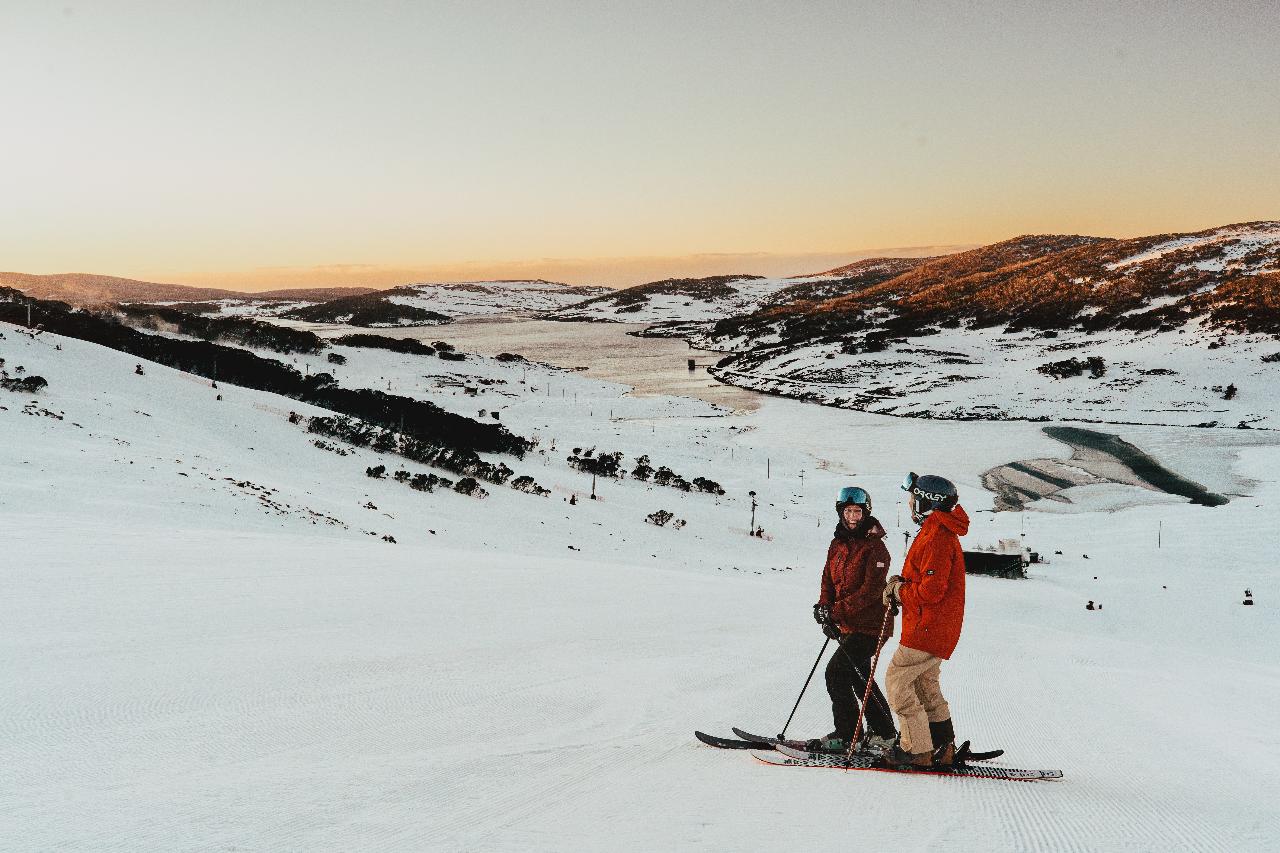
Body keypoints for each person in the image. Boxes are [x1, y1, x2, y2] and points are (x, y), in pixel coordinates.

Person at [880, 472, 969, 768]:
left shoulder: (938, 536)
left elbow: (931, 591)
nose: (910, 503)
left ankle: (917, 749)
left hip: (926, 627)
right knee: (924, 685)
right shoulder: (937, 530)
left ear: (926, 502)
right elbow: (925, 577)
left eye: (913, 498)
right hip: (935, 626)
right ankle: (942, 748)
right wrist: (902, 581)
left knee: (897, 682)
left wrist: (900, 590)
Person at [811, 486, 897, 752]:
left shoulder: (876, 548)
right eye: (847, 511)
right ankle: (884, 732)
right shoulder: (837, 544)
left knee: (836, 672)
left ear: (866, 513)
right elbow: (828, 579)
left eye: (857, 512)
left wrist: (836, 612)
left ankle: (847, 734)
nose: (851, 517)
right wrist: (824, 607)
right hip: (849, 624)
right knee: (859, 677)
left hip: (872, 626)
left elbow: (870, 592)